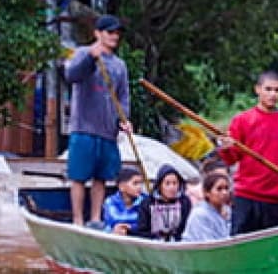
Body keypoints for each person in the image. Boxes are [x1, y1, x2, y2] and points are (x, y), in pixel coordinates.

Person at [63, 14, 133, 227]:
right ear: (97, 34)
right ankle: (77, 219)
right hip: (83, 128)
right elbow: (71, 75)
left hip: (107, 130)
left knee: (101, 177)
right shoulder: (82, 53)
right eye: (109, 32)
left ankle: (95, 218)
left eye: (117, 33)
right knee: (78, 175)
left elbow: (123, 96)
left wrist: (124, 120)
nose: (114, 36)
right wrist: (90, 58)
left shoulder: (119, 66)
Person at [216, 70, 278, 234]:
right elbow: (231, 159)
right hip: (246, 197)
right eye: (268, 89)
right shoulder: (242, 121)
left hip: (275, 199)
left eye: (277, 90)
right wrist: (226, 147)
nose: (273, 94)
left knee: (276, 249)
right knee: (241, 245)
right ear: (258, 89)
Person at [133, 163, 192, 241]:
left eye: (175, 183)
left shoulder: (184, 202)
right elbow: (142, 230)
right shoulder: (147, 203)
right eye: (167, 183)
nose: (172, 187)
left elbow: (187, 228)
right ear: (159, 185)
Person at [182, 172, 233, 242]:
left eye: (226, 188)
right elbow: (208, 246)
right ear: (206, 193)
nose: (224, 192)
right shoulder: (199, 214)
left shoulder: (227, 211)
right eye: (219, 189)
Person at [102, 167, 146, 235]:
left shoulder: (145, 200)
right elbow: (114, 219)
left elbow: (148, 222)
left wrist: (131, 227)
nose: (139, 187)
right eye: (135, 183)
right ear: (121, 187)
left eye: (141, 183)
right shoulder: (110, 201)